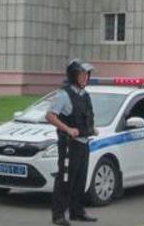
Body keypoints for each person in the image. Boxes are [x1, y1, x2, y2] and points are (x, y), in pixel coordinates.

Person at [46, 59, 99, 226]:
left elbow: (86, 116)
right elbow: (50, 116)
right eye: (81, 74)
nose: (85, 78)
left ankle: (77, 211)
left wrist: (92, 129)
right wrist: (67, 129)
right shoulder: (64, 94)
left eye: (86, 74)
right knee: (65, 178)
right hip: (69, 144)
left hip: (84, 142)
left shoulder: (85, 95)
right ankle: (58, 215)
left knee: (80, 178)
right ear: (73, 75)